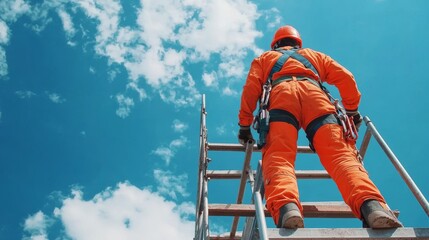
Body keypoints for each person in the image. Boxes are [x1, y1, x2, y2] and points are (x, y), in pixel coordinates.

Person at [237, 25, 402, 229]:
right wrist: (351, 109)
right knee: (341, 155)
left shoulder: (264, 59)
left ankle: (287, 209)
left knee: (279, 156)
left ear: (276, 44)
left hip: (281, 99)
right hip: (317, 99)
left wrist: (244, 126)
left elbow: (251, 89)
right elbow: (346, 78)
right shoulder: (314, 56)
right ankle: (372, 206)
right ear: (297, 43)